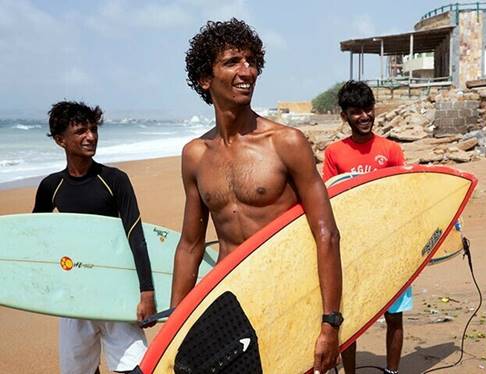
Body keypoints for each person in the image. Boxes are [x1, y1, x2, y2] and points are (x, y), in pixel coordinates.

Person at [170, 18, 343, 373]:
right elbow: (190, 246)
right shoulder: (195, 156)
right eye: (232, 62)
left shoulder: (286, 143)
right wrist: (175, 325)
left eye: (251, 62)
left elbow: (326, 233)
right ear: (205, 78)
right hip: (233, 298)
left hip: (290, 292)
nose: (246, 71)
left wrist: (330, 322)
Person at [32, 101, 156, 374]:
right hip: (74, 294)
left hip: (116, 289)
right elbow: (37, 240)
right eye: (80, 131)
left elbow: (135, 234)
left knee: (134, 367)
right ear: (60, 140)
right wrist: (41, 292)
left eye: (93, 129)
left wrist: (146, 291)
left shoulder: (114, 180)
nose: (90, 136)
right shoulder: (51, 186)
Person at [322, 81, 411, 374]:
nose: (364, 116)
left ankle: (392, 371)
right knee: (348, 318)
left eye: (368, 109)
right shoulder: (335, 153)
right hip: (353, 248)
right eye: (355, 111)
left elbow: (404, 195)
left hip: (391, 245)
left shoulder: (391, 150)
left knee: (394, 315)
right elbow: (331, 198)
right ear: (345, 116)